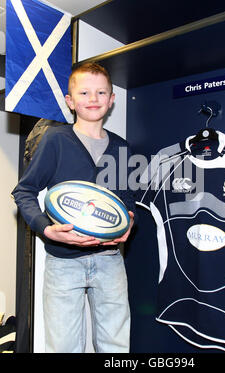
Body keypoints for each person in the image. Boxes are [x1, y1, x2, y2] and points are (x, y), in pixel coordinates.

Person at [11, 62, 136, 353]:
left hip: (109, 260)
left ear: (111, 99)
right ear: (70, 101)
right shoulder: (55, 140)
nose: (93, 99)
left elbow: (127, 200)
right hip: (63, 263)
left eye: (101, 92)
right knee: (64, 346)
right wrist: (47, 230)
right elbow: (24, 191)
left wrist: (129, 222)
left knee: (116, 344)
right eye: (84, 93)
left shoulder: (122, 148)